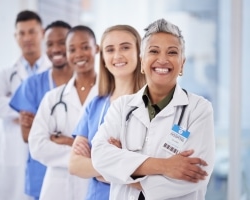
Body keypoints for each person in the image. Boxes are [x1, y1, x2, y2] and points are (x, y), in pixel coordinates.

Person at [91, 18, 215, 200]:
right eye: (154, 51)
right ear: (142, 62)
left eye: (172, 52)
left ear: (182, 64)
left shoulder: (198, 109)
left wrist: (122, 172)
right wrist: (165, 166)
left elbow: (196, 175)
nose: (162, 59)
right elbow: (100, 157)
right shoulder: (122, 107)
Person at [69, 24, 146, 200]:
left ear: (139, 53)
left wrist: (98, 162)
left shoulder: (151, 105)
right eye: (110, 50)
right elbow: (75, 164)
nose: (117, 55)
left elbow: (151, 175)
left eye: (125, 47)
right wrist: (119, 165)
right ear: (103, 58)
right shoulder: (95, 105)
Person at [28, 25, 99, 200]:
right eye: (72, 49)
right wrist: (85, 156)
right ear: (67, 54)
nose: (79, 54)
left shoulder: (110, 95)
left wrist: (68, 142)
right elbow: (37, 145)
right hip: (57, 189)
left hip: (95, 186)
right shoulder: (53, 98)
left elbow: (114, 148)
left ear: (96, 49)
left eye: (85, 47)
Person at [0, 10, 50, 200]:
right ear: (16, 36)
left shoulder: (53, 72)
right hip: (13, 152)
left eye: (32, 31)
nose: (27, 38)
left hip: (45, 148)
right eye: (21, 33)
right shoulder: (5, 73)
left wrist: (14, 102)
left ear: (42, 33)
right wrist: (26, 111)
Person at [9, 20, 73, 200]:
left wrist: (51, 136)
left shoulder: (88, 84)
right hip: (41, 174)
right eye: (50, 44)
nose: (56, 49)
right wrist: (72, 141)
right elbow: (28, 136)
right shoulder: (32, 84)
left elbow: (94, 140)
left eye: (62, 42)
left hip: (80, 174)